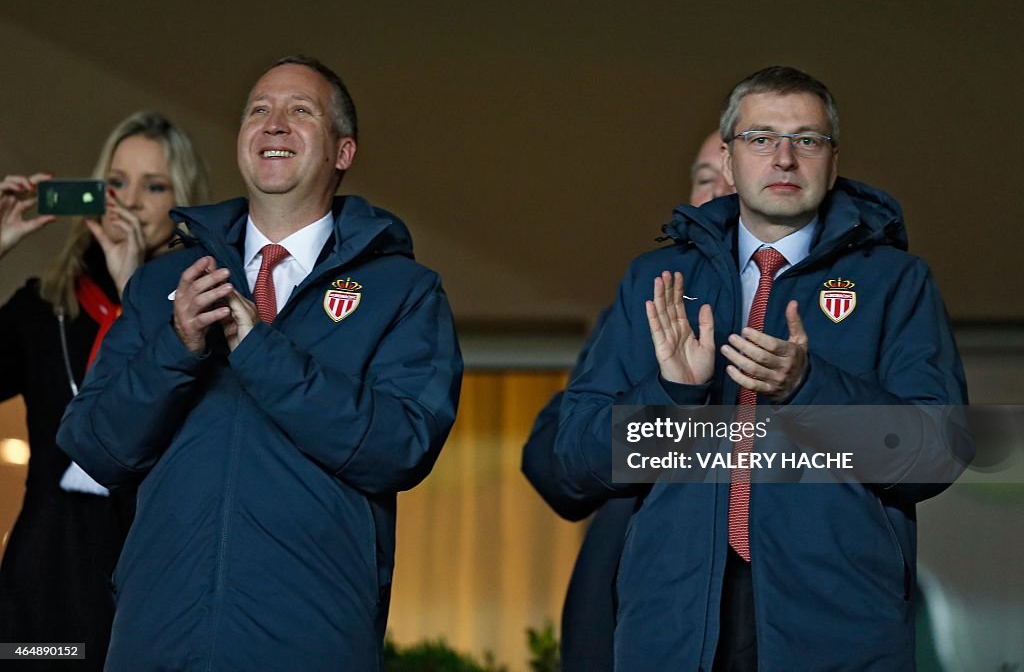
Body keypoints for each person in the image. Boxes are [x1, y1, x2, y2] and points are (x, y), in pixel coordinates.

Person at [554, 66, 969, 670]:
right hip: (675, 619)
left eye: (807, 140)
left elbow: (937, 452)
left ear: (832, 158)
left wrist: (809, 388)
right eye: (760, 139)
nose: (784, 158)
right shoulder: (656, 280)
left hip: (835, 622)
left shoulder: (896, 283)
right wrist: (672, 394)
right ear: (727, 157)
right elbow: (575, 460)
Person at [57, 56, 462, 670]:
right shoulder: (163, 283)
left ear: (342, 152)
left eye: (300, 111)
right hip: (156, 641)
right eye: (258, 111)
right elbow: (95, 446)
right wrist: (177, 347)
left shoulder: (404, 293)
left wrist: (257, 347)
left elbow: (401, 448)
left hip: (310, 644)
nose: (273, 123)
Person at [0, 111, 209, 671]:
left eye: (155, 185)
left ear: (183, 200)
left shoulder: (203, 308)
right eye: (116, 182)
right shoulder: (49, 304)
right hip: (46, 580)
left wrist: (134, 288)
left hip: (154, 572)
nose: (132, 201)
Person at [521, 130, 732, 672]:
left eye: (735, 176)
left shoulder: (827, 295)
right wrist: (671, 399)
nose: (719, 193)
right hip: (622, 608)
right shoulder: (650, 292)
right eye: (706, 179)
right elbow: (552, 461)